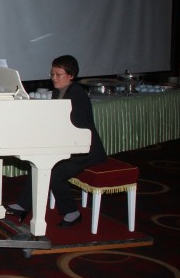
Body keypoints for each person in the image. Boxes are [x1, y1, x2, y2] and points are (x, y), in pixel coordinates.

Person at [7, 55, 106, 228]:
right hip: (69, 144)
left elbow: (77, 128)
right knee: (37, 161)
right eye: (52, 74)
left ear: (71, 75)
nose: (53, 78)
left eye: (58, 74)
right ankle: (24, 205)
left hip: (85, 149)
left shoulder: (78, 96)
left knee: (53, 172)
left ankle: (72, 212)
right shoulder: (57, 92)